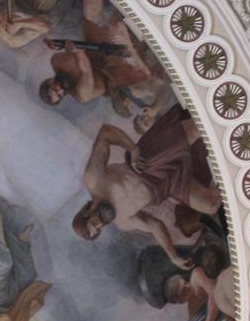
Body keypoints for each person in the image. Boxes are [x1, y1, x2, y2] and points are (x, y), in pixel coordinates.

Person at [75, 107, 221, 268]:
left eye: (93, 225)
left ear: (86, 213)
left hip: (150, 161)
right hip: (167, 185)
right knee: (211, 205)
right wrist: (172, 256)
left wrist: (133, 149)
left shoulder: (93, 180)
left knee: (199, 128)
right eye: (98, 231)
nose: (99, 225)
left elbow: (106, 133)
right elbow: (155, 225)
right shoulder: (123, 222)